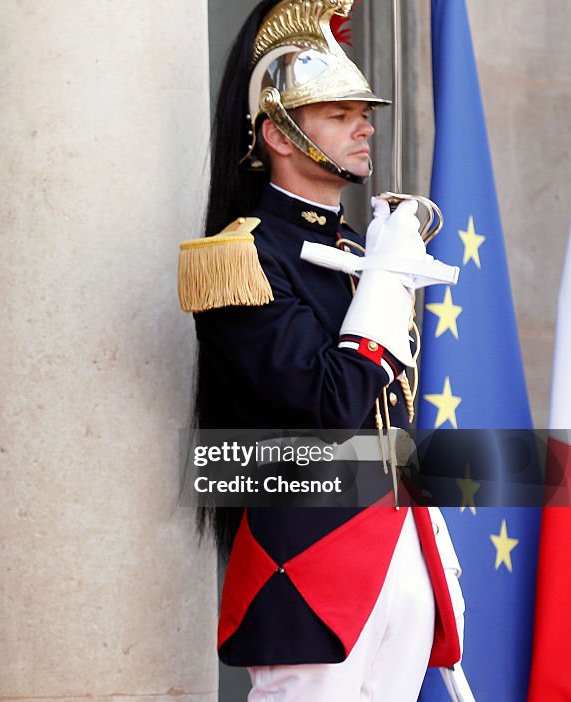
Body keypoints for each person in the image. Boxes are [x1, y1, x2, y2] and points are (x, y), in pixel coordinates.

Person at [182, 1, 465, 699]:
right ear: (279, 133)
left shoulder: (355, 249)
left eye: (361, 112)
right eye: (339, 114)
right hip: (308, 565)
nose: (364, 124)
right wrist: (389, 278)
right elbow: (328, 402)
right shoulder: (240, 256)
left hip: (400, 547)